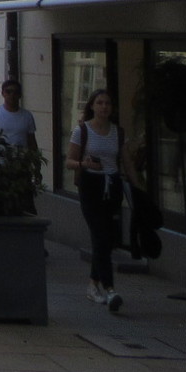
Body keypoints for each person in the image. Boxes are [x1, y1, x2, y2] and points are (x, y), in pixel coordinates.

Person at [67, 88, 127, 313]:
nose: (104, 107)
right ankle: (110, 289)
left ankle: (93, 284)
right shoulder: (82, 131)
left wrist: (137, 186)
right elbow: (69, 161)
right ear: (92, 106)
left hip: (112, 185)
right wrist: (84, 164)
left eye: (107, 103)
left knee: (106, 239)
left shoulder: (118, 132)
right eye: (100, 103)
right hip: (90, 186)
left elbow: (126, 162)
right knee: (100, 236)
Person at [0, 79, 39, 156]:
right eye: (8, 92)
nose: (12, 95)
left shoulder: (27, 116)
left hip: (21, 160)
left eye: (15, 92)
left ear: (20, 95)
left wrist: (35, 158)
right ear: (3, 93)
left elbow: (32, 141)